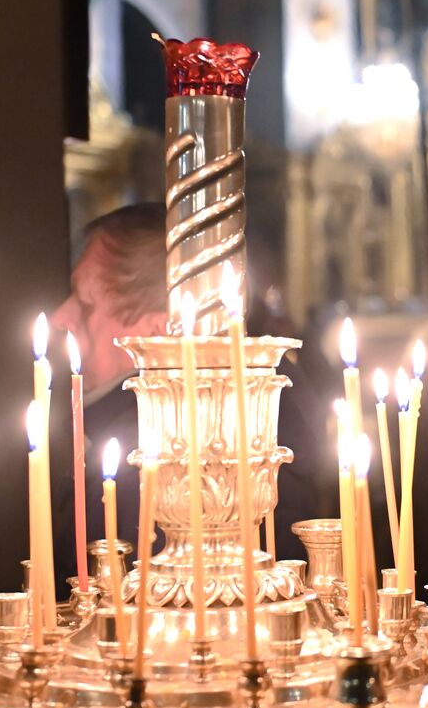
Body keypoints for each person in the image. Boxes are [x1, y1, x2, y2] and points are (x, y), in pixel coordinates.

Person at [49, 203, 322, 594]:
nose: (62, 317)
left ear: (160, 332)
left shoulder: (156, 459)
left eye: (85, 302)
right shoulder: (112, 428)